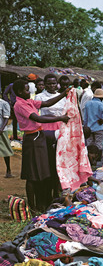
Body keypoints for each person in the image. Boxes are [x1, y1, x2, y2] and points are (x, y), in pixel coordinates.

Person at [13, 78, 70, 213]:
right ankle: (33, 206)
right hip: (32, 138)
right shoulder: (20, 104)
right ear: (20, 91)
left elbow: (46, 103)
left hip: (39, 136)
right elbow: (37, 118)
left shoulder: (28, 101)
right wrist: (60, 118)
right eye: (27, 90)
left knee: (41, 173)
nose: (30, 92)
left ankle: (41, 202)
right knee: (32, 174)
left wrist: (63, 93)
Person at [83, 88, 103, 161]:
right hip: (99, 127)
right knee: (98, 144)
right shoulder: (100, 104)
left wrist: (85, 126)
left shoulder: (88, 104)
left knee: (89, 144)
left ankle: (89, 160)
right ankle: (98, 160)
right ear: (101, 97)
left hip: (89, 128)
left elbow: (85, 117)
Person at [0, 98, 14, 177]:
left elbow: (6, 117)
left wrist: (1, 129)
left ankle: (8, 170)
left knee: (5, 150)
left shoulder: (3, 103)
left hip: (1, 130)